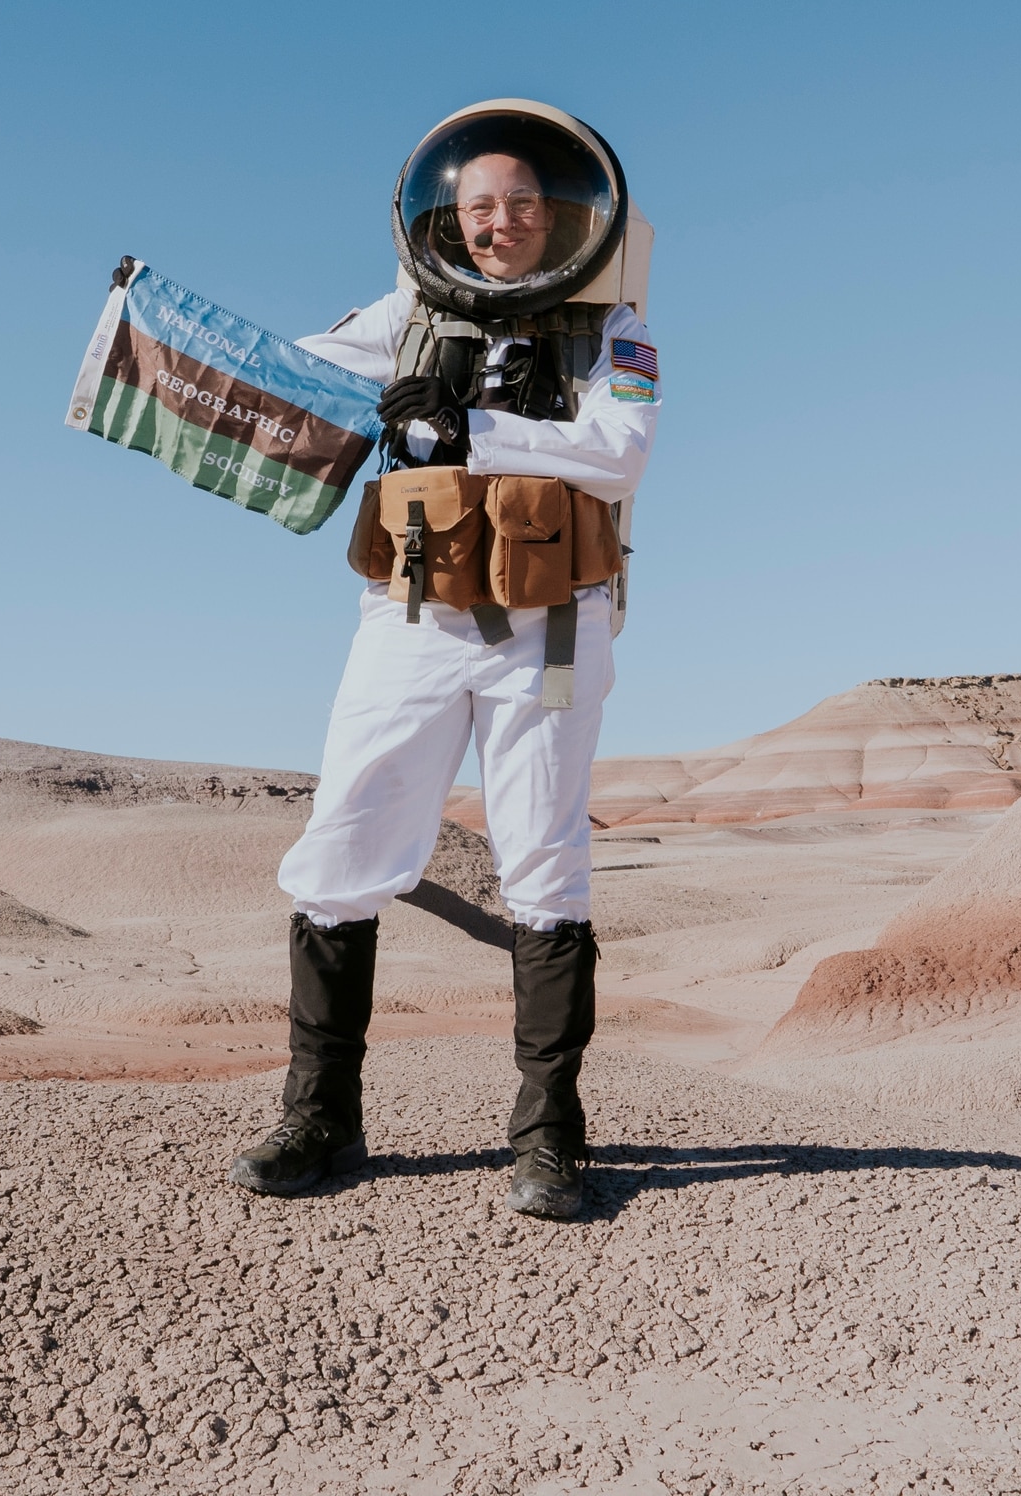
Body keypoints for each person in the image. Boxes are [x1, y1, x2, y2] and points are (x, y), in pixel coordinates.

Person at [228, 101, 658, 1222]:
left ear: (563, 213)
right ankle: (318, 1112)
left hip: (554, 622)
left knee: (543, 850)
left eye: (521, 204)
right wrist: (183, 342)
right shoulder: (407, 315)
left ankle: (550, 1134)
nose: (500, 225)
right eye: (478, 207)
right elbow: (300, 372)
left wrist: (469, 425)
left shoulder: (612, 331)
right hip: (414, 610)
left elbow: (618, 453)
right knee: (347, 834)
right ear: (448, 218)